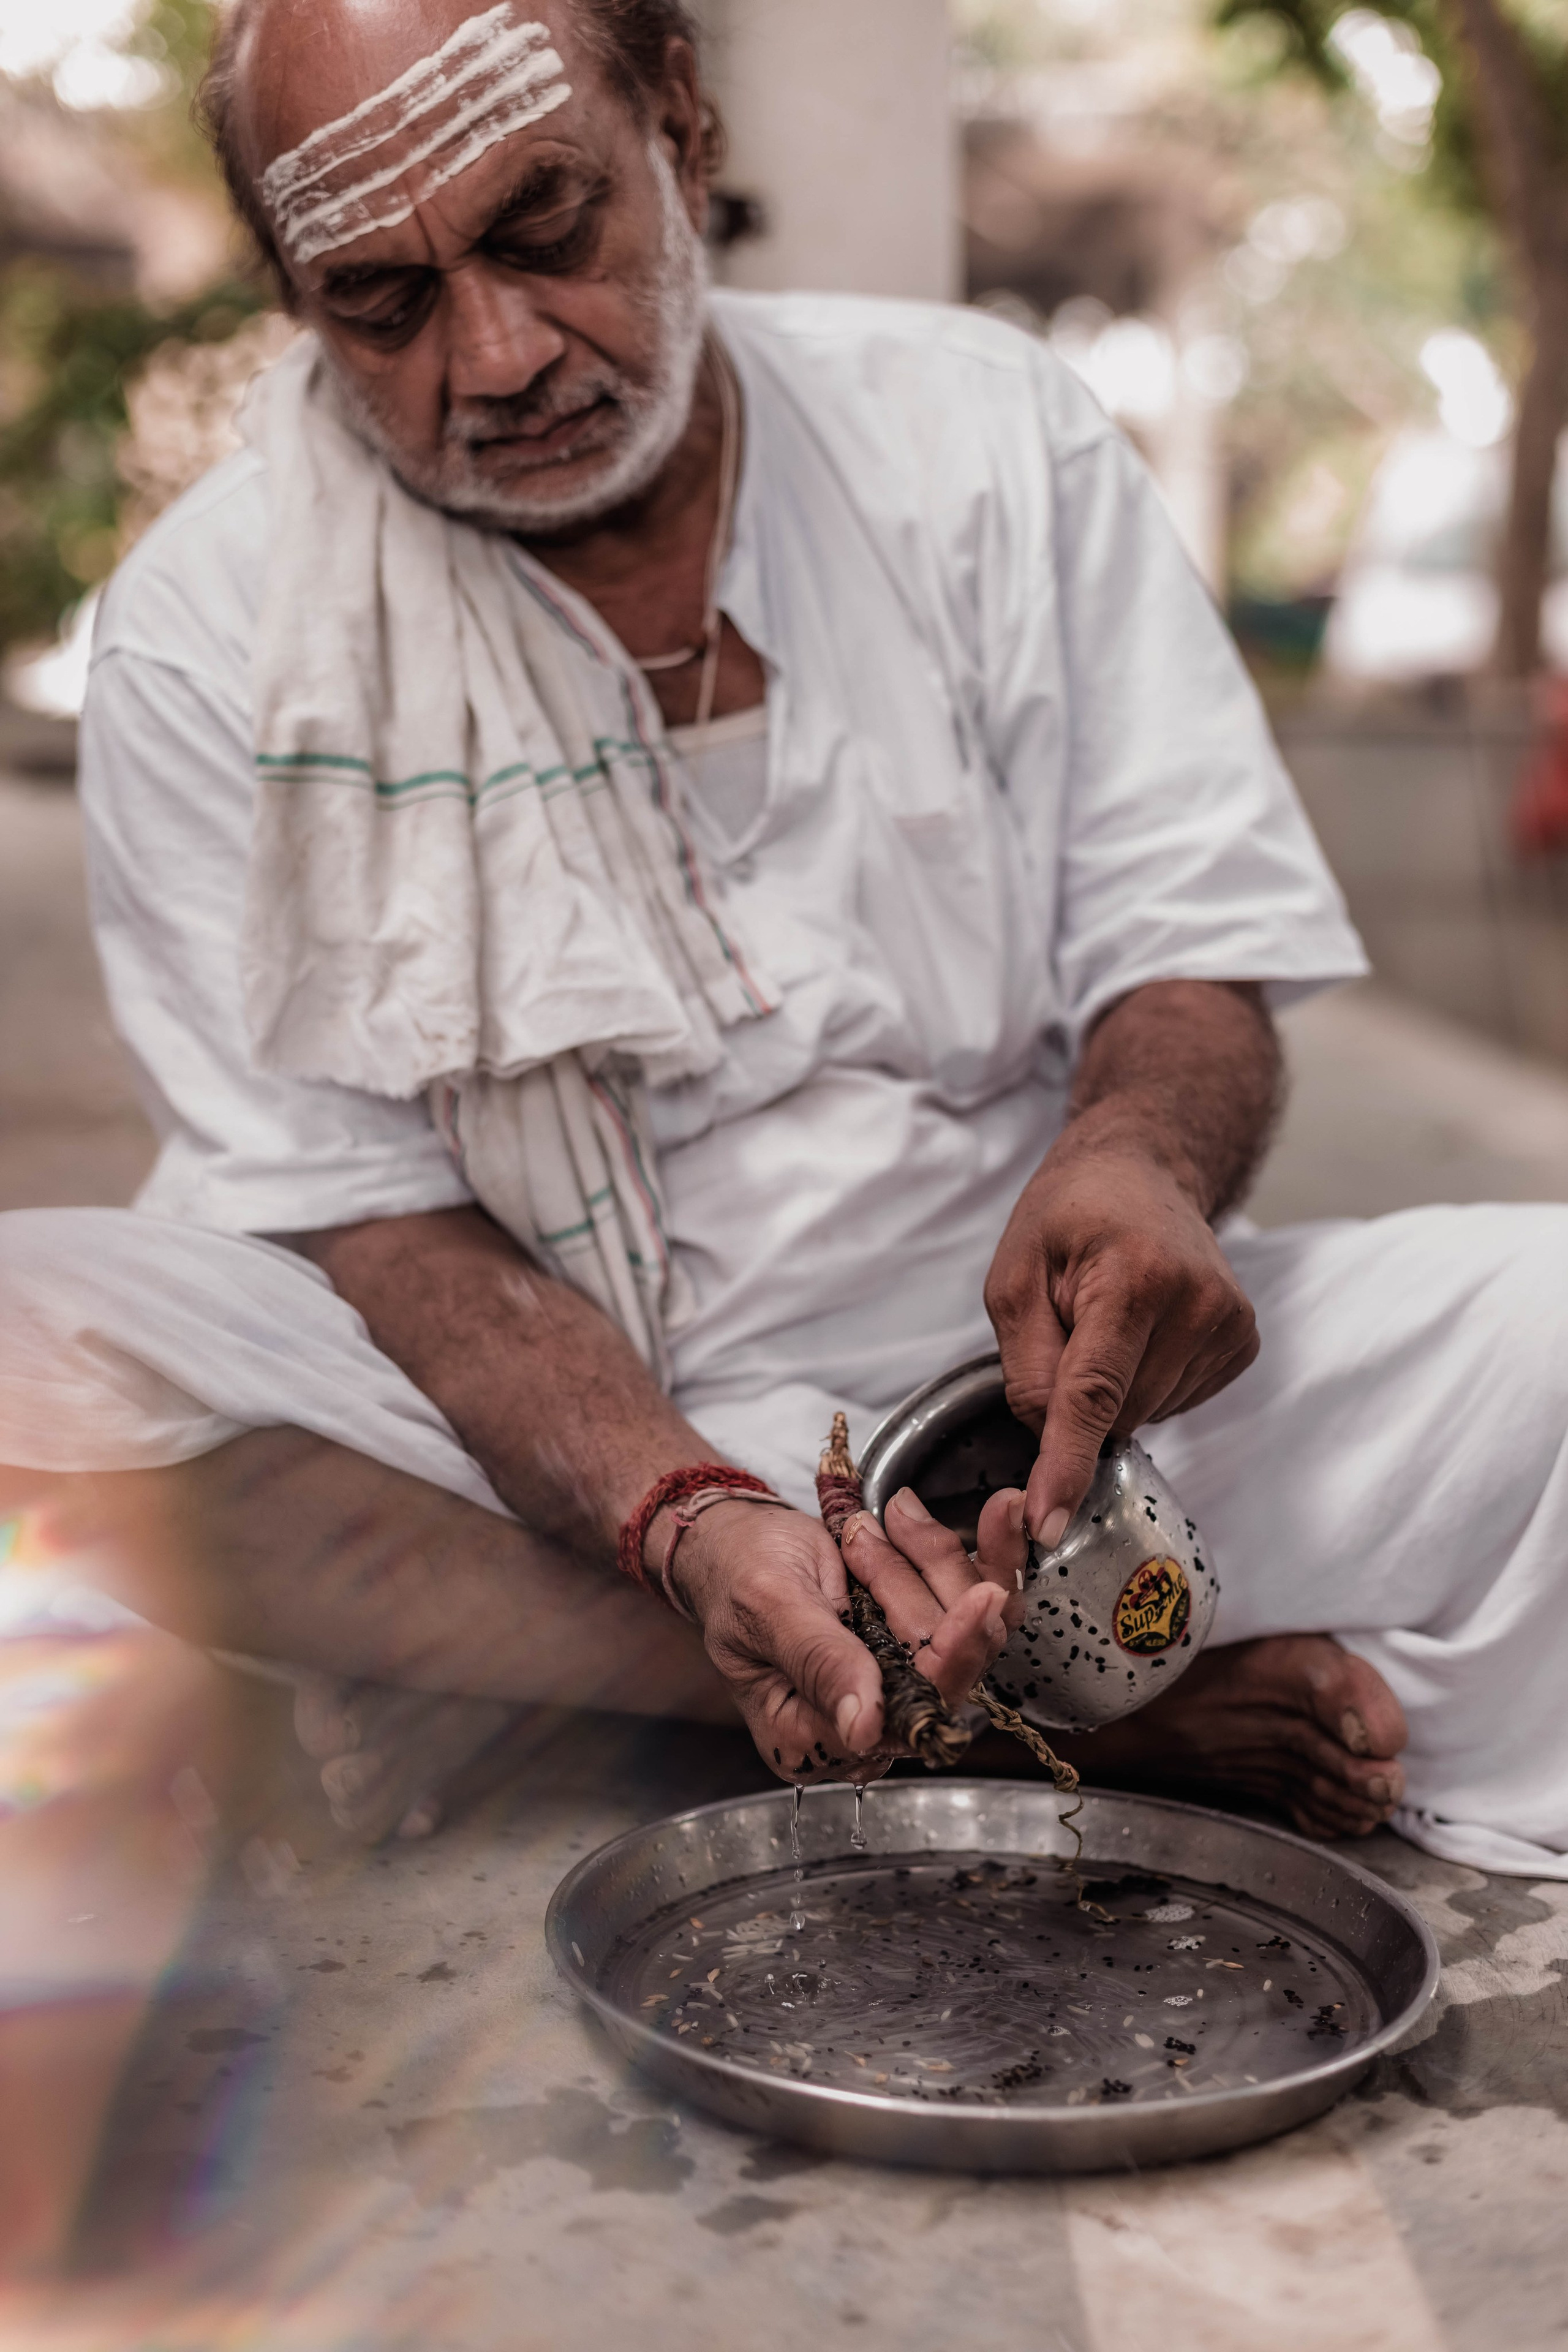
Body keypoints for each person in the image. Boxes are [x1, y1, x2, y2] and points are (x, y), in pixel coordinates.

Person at [4, 0, 1566, 1879]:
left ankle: (788, 1679)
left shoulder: (983, 437)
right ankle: (974, 1710)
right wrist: (684, 1515)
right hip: (547, 1449)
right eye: (384, 302)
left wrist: (1136, 1162)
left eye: (541, 226)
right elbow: (369, 1220)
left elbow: (1187, 949)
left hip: (1034, 1427)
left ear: (682, 123)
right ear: (295, 304)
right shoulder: (207, 630)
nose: (494, 355)